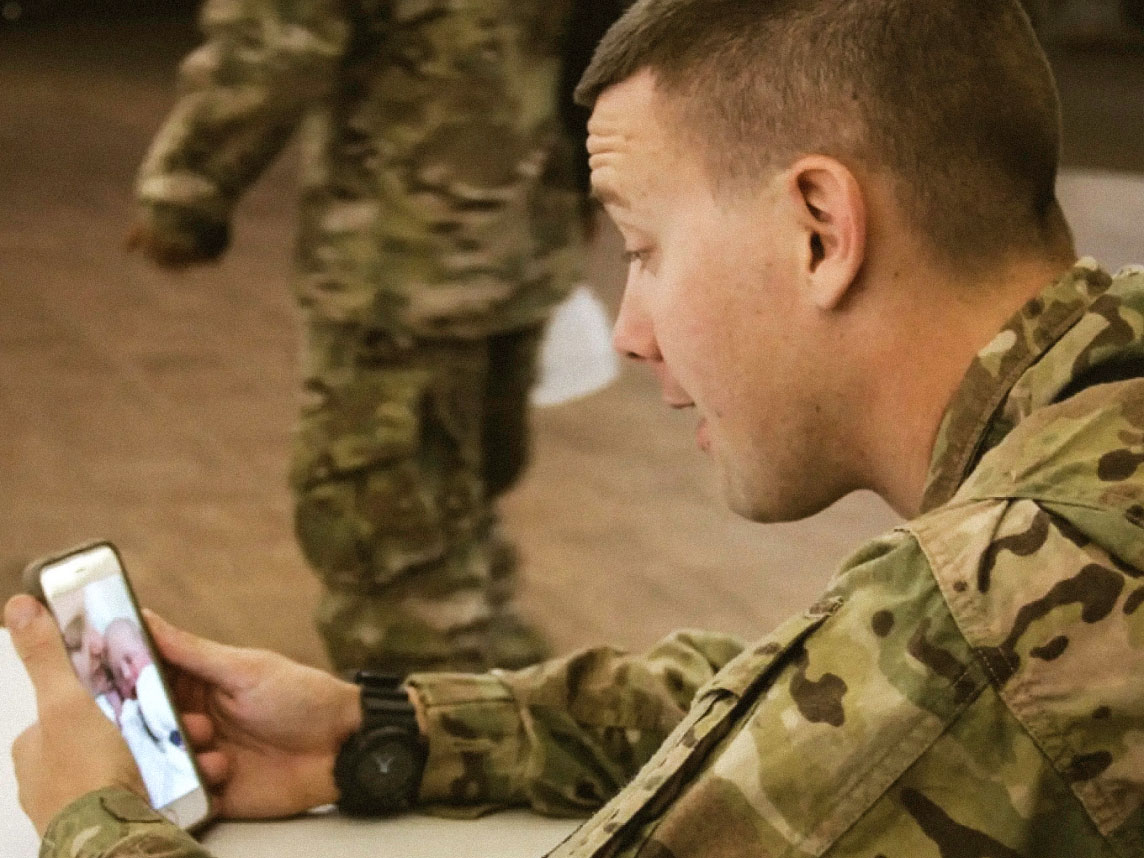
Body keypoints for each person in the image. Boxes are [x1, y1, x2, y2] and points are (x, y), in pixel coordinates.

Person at [11, 0, 1144, 854]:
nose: (632, 329)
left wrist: (95, 818)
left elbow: (920, 679)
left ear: (817, 227)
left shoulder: (1000, 616)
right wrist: (378, 725)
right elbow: (814, 695)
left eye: (642, 248)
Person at [127, 0, 584, 674]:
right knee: (462, 472)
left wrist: (188, 185)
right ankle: (495, 665)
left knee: (387, 526)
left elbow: (277, 40)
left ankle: (428, 728)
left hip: (401, 256)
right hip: (524, 229)